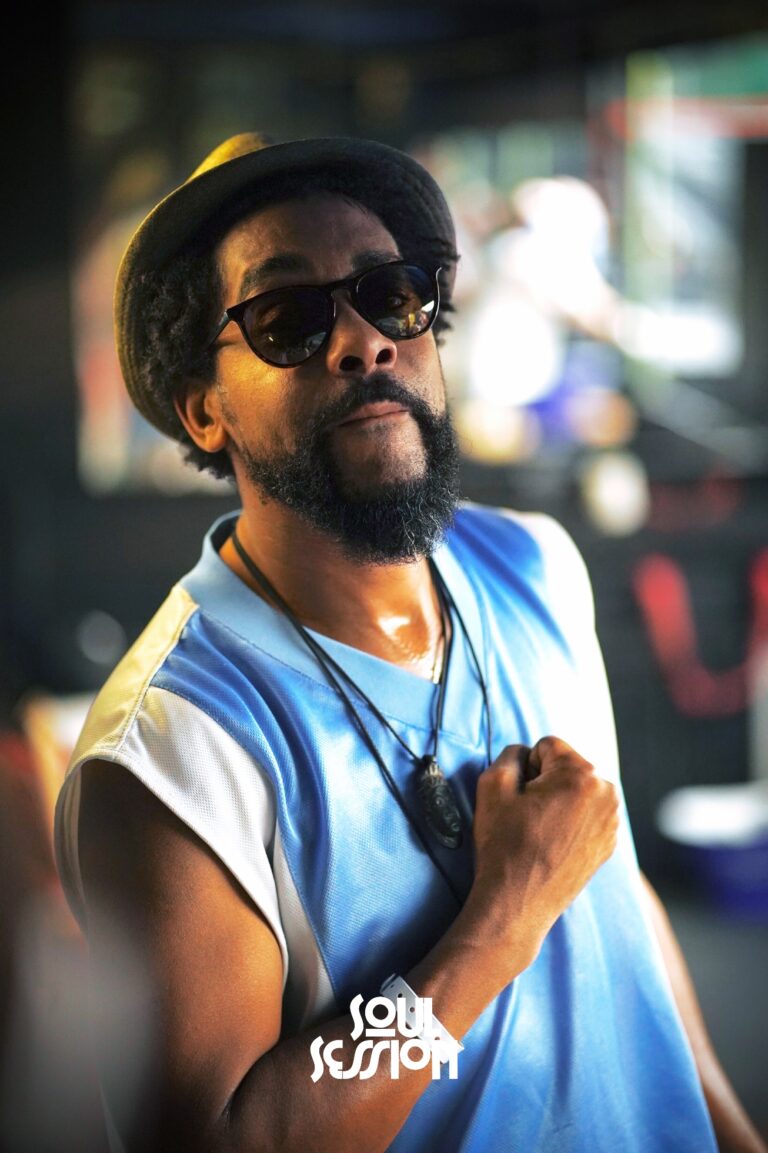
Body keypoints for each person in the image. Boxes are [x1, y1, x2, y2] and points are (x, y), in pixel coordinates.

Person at [53, 131, 766, 1153]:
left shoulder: (537, 568)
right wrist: (497, 925)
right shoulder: (174, 748)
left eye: (391, 295)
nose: (364, 342)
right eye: (288, 318)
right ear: (204, 411)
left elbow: (610, 904)